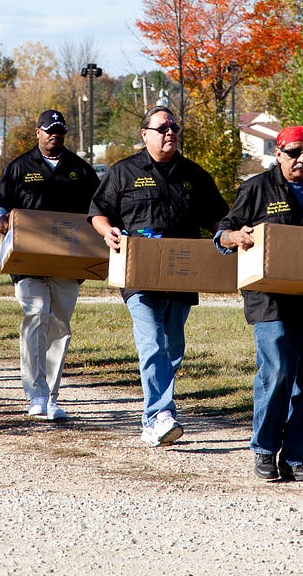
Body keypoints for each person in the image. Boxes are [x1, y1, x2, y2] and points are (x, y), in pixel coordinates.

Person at [216, 125, 303, 483]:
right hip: (270, 300)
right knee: (277, 372)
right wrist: (235, 237)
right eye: (294, 152)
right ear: (278, 154)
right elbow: (223, 232)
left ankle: (296, 457)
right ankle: (264, 451)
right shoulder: (257, 188)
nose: (302, 159)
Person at [90, 106, 228, 447]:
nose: (171, 132)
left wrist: (227, 234)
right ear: (145, 134)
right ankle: (159, 416)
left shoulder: (194, 175)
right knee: (151, 343)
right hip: (138, 273)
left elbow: (218, 217)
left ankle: (155, 416)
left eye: (175, 127)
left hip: (182, 274)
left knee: (172, 349)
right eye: (163, 127)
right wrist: (108, 232)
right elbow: (98, 213)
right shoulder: (123, 172)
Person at [0, 108, 100, 420]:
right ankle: (35, 392)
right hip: (28, 263)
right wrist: (1, 222)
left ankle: (51, 395)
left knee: (60, 327)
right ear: (37, 132)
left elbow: (101, 205)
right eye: (49, 130)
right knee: (37, 316)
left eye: (60, 131)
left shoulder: (80, 169)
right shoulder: (20, 167)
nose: (54, 135)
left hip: (68, 264)